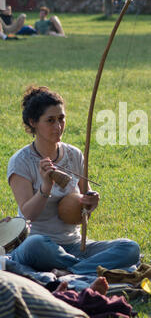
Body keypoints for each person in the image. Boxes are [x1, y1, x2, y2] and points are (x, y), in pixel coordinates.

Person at [6, 86, 141, 277]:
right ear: (33, 122)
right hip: (41, 246)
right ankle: (88, 268)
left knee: (130, 248)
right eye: (50, 120)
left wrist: (91, 202)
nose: (58, 126)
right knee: (35, 245)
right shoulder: (20, 161)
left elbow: (85, 198)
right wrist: (46, 187)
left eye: (61, 119)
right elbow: (28, 214)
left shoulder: (74, 154)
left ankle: (70, 270)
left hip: (75, 245)